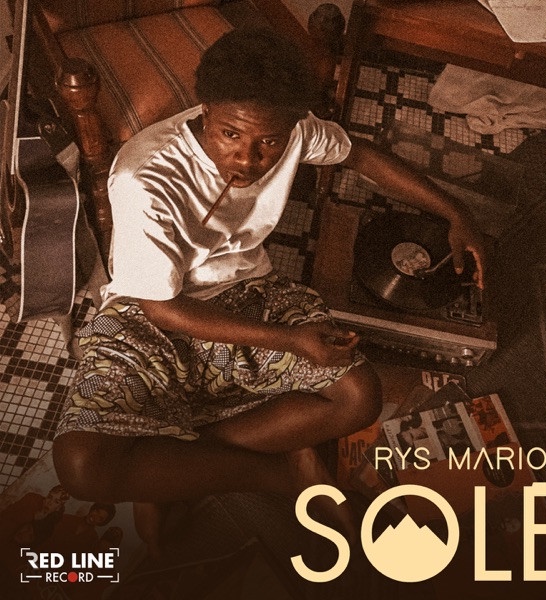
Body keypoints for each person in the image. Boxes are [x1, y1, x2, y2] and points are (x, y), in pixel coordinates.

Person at [52, 27, 485, 556]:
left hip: (250, 294)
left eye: (269, 143)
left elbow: (361, 156)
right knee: (82, 467)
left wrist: (455, 212)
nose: (247, 159)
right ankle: (281, 474)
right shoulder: (144, 177)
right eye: (229, 134)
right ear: (205, 111)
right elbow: (161, 308)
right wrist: (291, 340)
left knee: (360, 397)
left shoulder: (293, 128)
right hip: (149, 315)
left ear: (292, 126)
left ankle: (171, 472)